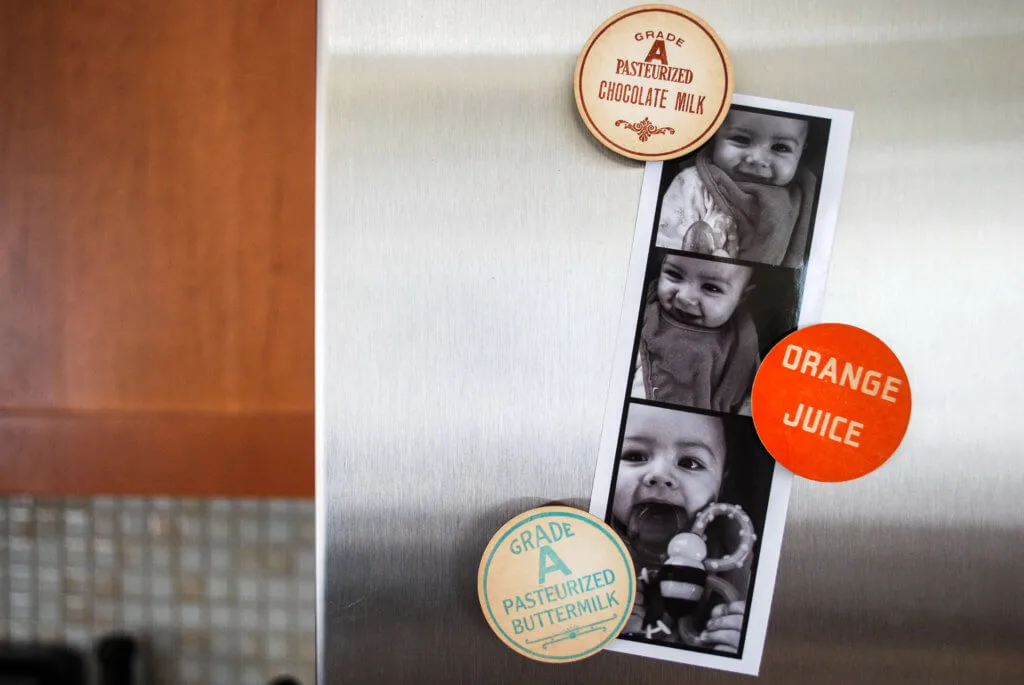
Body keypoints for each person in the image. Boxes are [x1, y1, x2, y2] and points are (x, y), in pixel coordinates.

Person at [612, 403, 748, 653]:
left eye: (690, 463)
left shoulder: (735, 561)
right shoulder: (590, 546)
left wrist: (735, 641)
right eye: (635, 456)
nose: (660, 474)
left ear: (720, 485)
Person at [655, 110, 816, 268]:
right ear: (715, 135)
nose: (757, 159)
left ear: (802, 150)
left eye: (780, 147)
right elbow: (666, 241)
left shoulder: (803, 201)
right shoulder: (694, 183)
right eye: (741, 139)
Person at [632, 253, 759, 414]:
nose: (685, 297)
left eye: (711, 288)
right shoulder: (648, 310)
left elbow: (752, 396)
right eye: (674, 275)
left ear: (742, 297)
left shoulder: (741, 339)